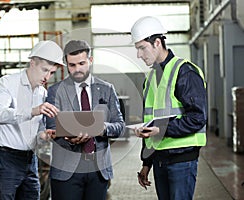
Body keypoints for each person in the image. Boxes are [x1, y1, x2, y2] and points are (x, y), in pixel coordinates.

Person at [131, 16, 207, 200]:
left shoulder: (184, 72)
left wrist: (162, 130)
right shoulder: (150, 78)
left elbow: (197, 117)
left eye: (142, 48)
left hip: (182, 159)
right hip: (160, 160)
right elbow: (151, 119)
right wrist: (146, 163)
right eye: (137, 49)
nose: (139, 55)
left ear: (157, 42)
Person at [44, 40, 125, 200]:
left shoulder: (107, 89)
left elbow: (120, 126)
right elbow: (52, 127)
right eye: (71, 65)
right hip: (66, 170)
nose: (77, 69)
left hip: (97, 169)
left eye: (81, 63)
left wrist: (101, 128)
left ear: (91, 60)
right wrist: (70, 139)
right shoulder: (55, 91)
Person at [0, 40, 64, 199]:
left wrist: (45, 134)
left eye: (51, 73)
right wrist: (33, 110)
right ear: (33, 62)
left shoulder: (41, 92)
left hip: (30, 159)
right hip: (5, 159)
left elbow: (38, 127)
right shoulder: (7, 83)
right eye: (45, 70)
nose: (47, 77)